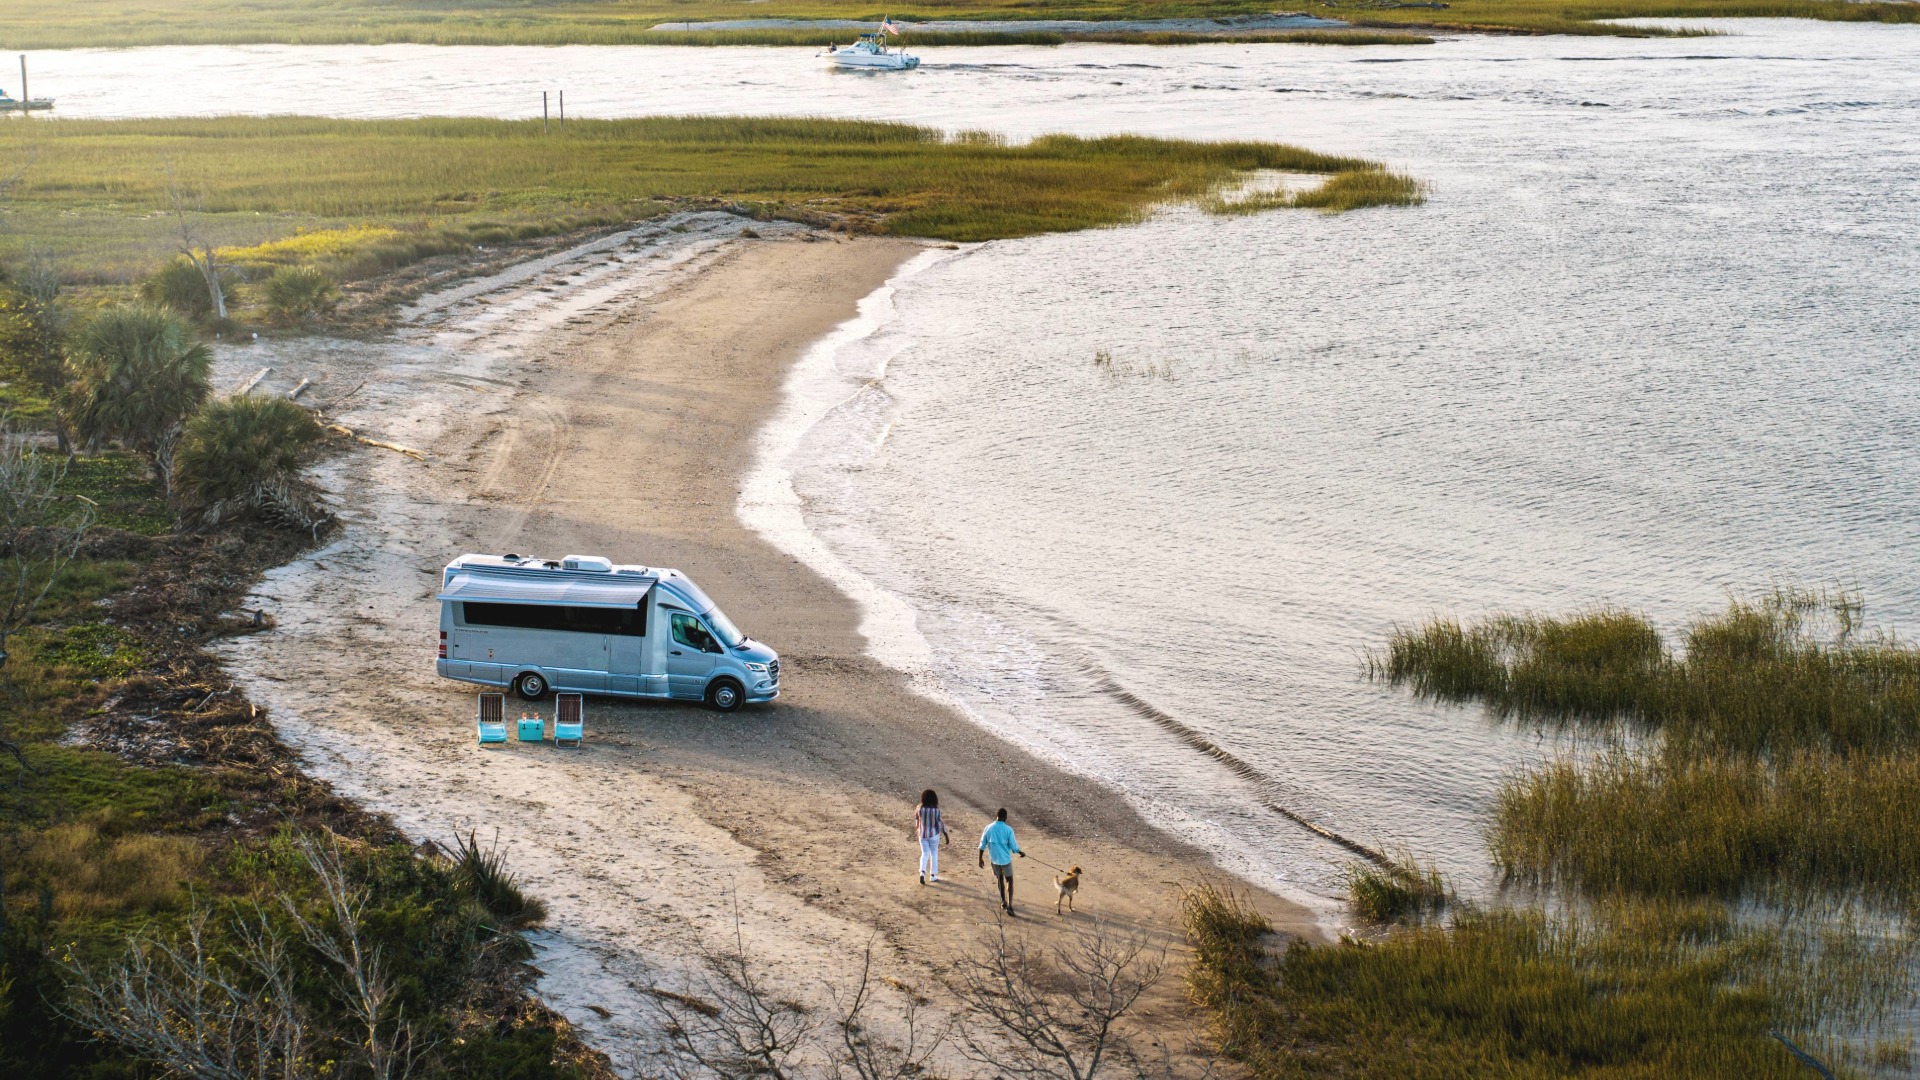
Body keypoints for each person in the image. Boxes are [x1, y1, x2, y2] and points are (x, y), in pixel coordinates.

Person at [978, 808, 1025, 914]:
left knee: (1000, 879)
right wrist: (1019, 852)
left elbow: (982, 844)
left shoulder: (988, 828)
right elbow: (1013, 846)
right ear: (1005, 817)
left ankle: (1003, 901)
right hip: (1006, 860)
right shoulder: (1008, 829)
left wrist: (980, 858)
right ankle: (1010, 906)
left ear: (996, 816)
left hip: (994, 860)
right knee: (1009, 880)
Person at [915, 789, 950, 885]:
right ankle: (933, 875)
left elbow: (917, 820)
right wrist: (945, 834)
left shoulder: (919, 808)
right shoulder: (936, 810)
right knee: (934, 853)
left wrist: (918, 829)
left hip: (922, 834)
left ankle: (922, 872)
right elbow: (939, 823)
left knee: (924, 853)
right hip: (934, 834)